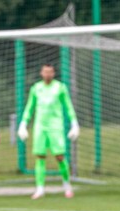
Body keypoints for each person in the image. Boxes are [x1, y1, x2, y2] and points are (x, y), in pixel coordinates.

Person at [17, 63, 79, 199]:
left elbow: (68, 106)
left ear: (53, 73)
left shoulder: (60, 88)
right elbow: (29, 107)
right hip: (40, 126)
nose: (47, 74)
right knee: (40, 156)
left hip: (55, 126)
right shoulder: (36, 88)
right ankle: (40, 189)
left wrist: (74, 123)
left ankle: (67, 186)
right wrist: (23, 124)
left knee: (60, 156)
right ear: (41, 73)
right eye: (45, 72)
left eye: (50, 72)